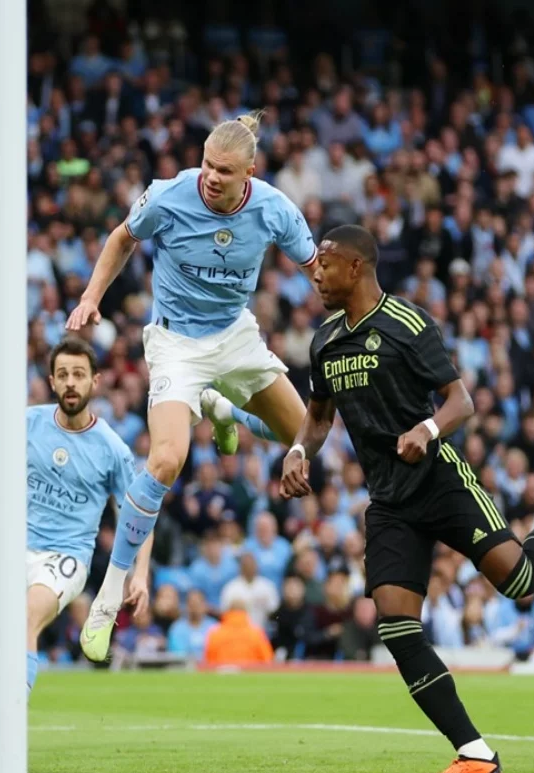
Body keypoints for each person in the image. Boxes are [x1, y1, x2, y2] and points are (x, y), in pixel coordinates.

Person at [280, 225, 534, 773]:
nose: (314, 272)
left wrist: (427, 427)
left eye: (324, 263)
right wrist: (299, 449)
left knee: (520, 582)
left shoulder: (407, 324)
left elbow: (460, 400)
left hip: (439, 480)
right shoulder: (324, 341)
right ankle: (474, 752)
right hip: (389, 500)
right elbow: (320, 414)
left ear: (356, 267)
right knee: (395, 624)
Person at [66, 111, 319, 661]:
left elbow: (319, 269)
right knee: (166, 459)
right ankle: (108, 595)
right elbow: (122, 238)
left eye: (224, 170)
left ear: (249, 171)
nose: (210, 176)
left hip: (234, 337)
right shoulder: (171, 195)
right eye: (206, 163)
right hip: (175, 342)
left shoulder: (275, 209)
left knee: (304, 434)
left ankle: (223, 411)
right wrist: (92, 297)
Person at [0, 337, 148, 744]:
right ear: (52, 381)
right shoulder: (30, 422)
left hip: (66, 559)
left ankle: (6, 721)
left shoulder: (112, 449)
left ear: (95, 382)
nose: (71, 383)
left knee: (24, 618)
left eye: (79, 374)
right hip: (15, 548)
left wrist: (140, 574)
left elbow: (138, 514)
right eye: (63, 375)